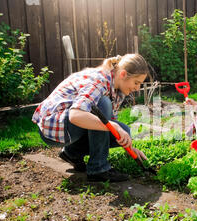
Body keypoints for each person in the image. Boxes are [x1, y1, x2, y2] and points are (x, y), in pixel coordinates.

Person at [32, 54, 149, 182]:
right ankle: (98, 169)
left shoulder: (118, 90)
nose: (138, 88)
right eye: (136, 83)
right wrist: (113, 126)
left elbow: (108, 122)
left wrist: (129, 147)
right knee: (103, 103)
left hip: (70, 126)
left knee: (124, 131)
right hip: (54, 126)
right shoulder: (99, 81)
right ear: (123, 74)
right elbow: (75, 115)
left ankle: (71, 153)